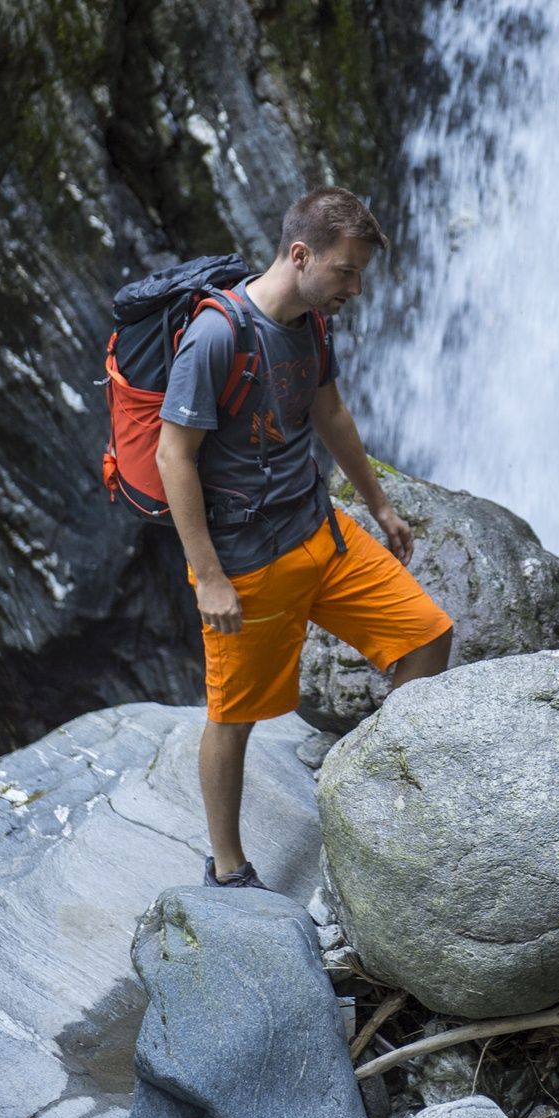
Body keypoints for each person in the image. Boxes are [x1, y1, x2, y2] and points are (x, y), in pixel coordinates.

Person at [155, 187, 453, 889]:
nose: (355, 288)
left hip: (323, 532)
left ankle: (376, 788)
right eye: (346, 272)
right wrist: (210, 576)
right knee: (233, 716)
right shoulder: (217, 336)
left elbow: (331, 412)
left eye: (359, 275)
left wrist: (379, 505)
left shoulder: (313, 324)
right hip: (248, 564)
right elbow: (174, 457)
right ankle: (226, 868)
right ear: (299, 255)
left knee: (427, 637)